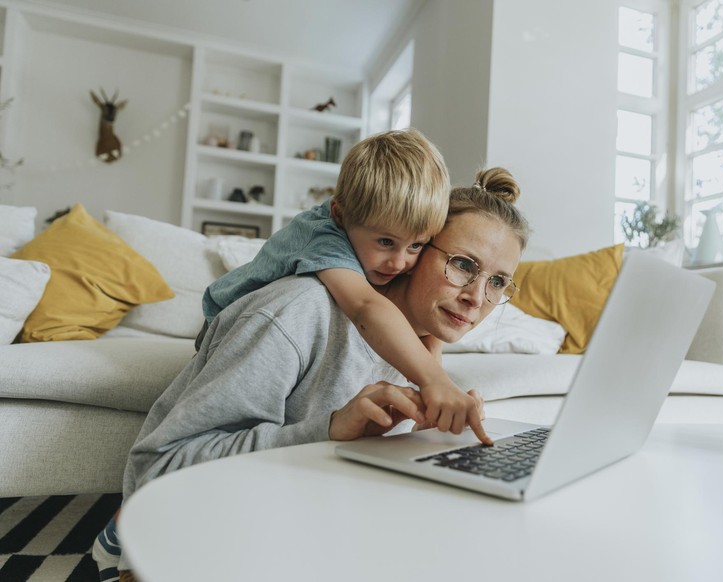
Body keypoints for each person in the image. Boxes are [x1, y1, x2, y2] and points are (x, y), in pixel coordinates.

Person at [94, 167, 530, 582]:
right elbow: (159, 471)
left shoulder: (419, 347)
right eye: (464, 265)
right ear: (416, 246)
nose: (477, 297)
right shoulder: (295, 313)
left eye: (498, 282)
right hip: (194, 542)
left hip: (310, 528)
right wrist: (330, 428)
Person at [199, 128, 489, 443]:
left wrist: (437, 385)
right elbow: (365, 307)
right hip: (223, 320)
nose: (399, 262)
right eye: (386, 242)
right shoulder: (324, 237)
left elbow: (426, 330)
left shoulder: (371, 226)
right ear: (340, 214)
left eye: (416, 246)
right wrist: (434, 381)